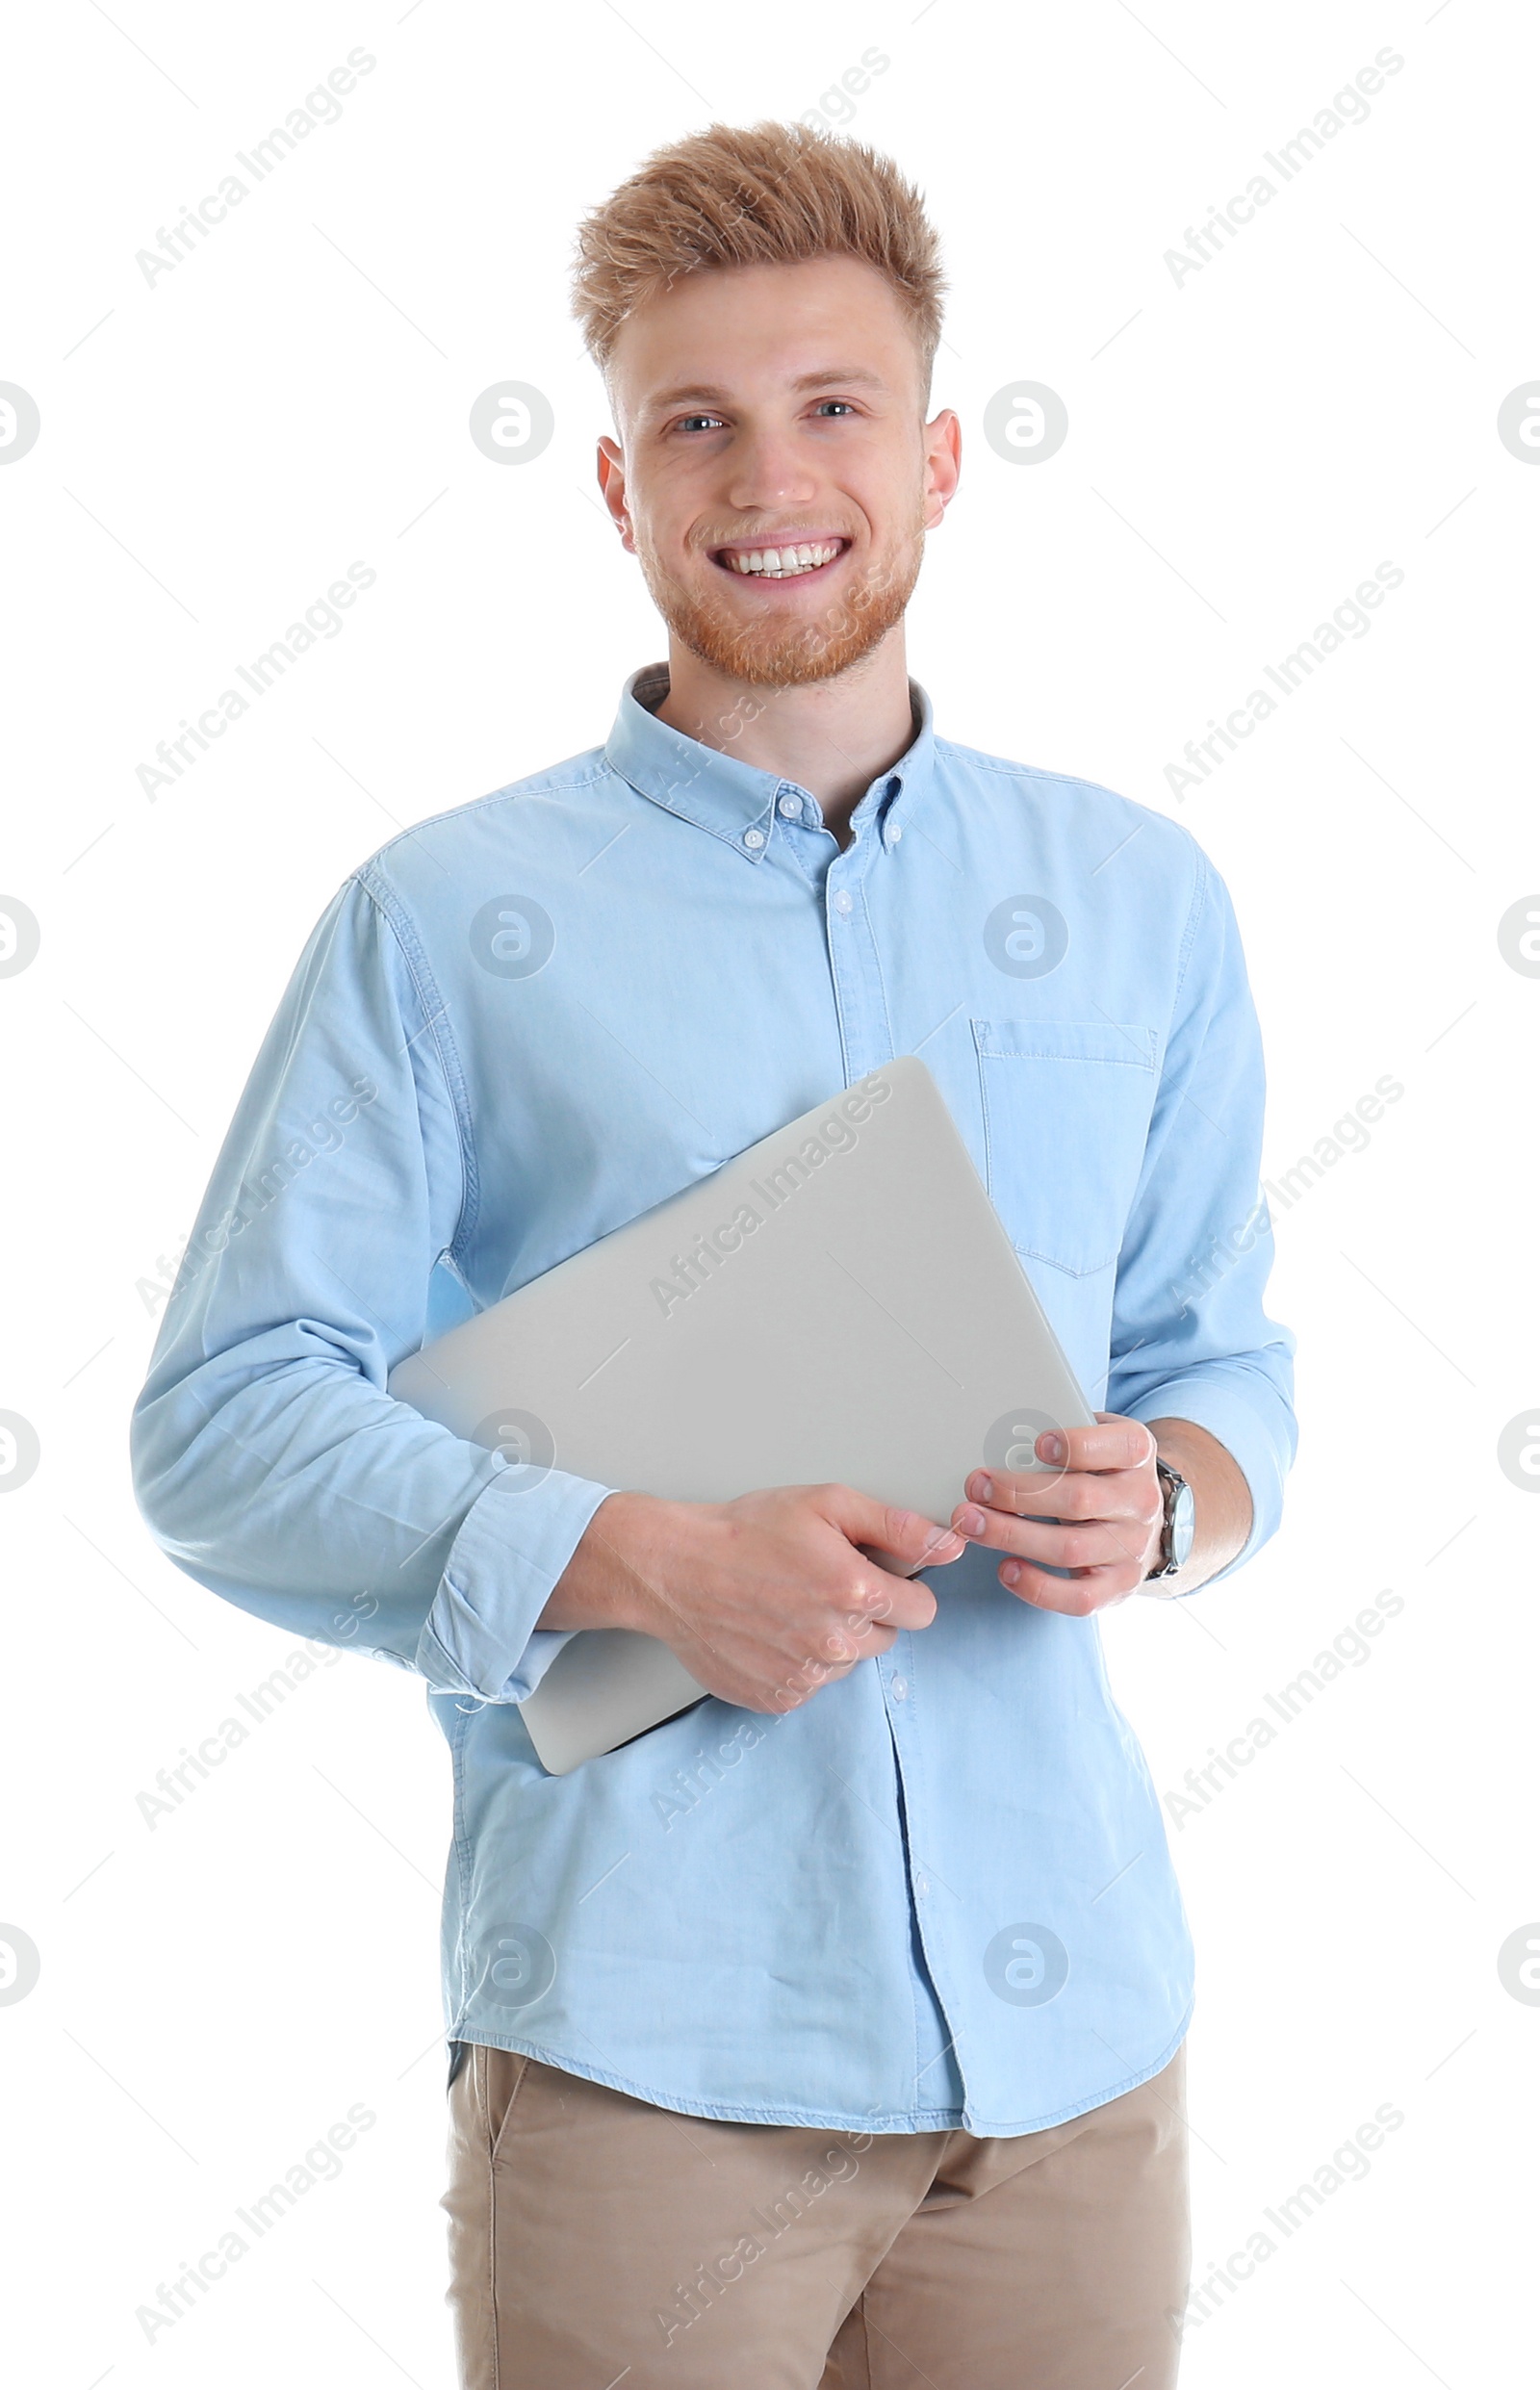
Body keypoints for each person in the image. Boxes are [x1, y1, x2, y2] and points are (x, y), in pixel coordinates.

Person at [132, 118, 1296, 2390]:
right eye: (698, 424)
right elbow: (219, 1420)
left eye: (834, 407)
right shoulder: (438, 920)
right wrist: (633, 1554)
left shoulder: (1144, 896)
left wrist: (1161, 1501)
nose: (773, 477)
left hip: (1070, 2069)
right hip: (648, 2064)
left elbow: (1218, 1358)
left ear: (941, 457)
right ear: (616, 488)